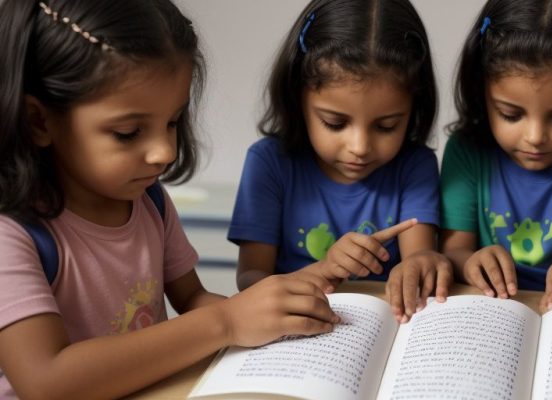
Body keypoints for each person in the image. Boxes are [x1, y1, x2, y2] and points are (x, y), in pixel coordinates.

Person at [0, 1, 341, 398]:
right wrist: (227, 322)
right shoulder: (14, 235)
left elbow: (192, 297)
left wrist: (265, 316)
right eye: (128, 132)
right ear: (39, 121)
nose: (165, 151)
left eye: (173, 122)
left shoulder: (150, 202)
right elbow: (47, 381)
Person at [227, 0, 446, 322]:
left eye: (386, 126)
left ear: (415, 107)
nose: (360, 147)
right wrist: (325, 269)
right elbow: (250, 278)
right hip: (291, 326)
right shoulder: (270, 163)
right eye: (335, 123)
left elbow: (419, 256)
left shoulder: (415, 165)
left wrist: (422, 264)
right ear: (297, 98)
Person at [438, 0, 552, 311]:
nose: (535, 137)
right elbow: (454, 250)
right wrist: (471, 261)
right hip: (490, 309)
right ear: (481, 92)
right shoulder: (467, 152)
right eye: (511, 115)